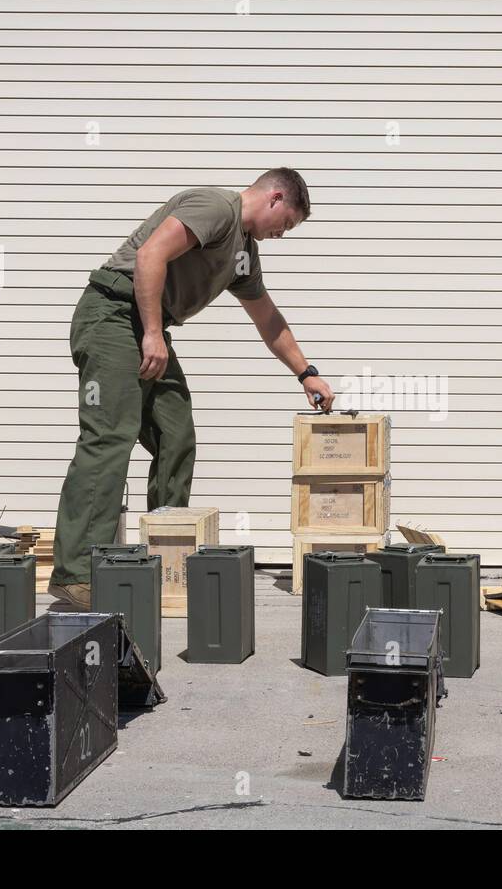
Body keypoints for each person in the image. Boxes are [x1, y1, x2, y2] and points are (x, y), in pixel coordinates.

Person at [48, 168, 335, 610]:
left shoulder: (244, 253)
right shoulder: (216, 208)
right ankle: (76, 574)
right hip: (113, 314)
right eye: (288, 224)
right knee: (109, 437)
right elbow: (150, 256)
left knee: (176, 435)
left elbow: (267, 318)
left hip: (146, 325)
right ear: (275, 197)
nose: (282, 235)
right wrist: (151, 333)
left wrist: (306, 372)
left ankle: (164, 559)